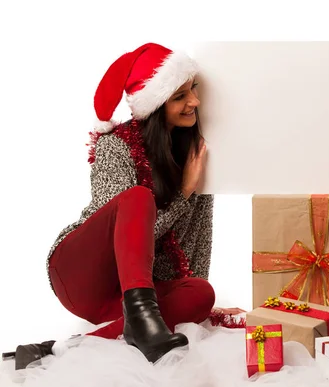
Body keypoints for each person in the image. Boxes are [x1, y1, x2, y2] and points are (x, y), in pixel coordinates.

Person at [3, 43, 244, 370]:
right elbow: (122, 236)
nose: (195, 102)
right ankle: (143, 320)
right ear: (156, 105)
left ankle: (59, 350)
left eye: (193, 90)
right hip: (84, 273)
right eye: (180, 97)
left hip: (130, 295)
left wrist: (198, 308)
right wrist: (184, 192)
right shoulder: (115, 146)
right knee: (137, 198)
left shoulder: (192, 153)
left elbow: (199, 236)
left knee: (202, 293)